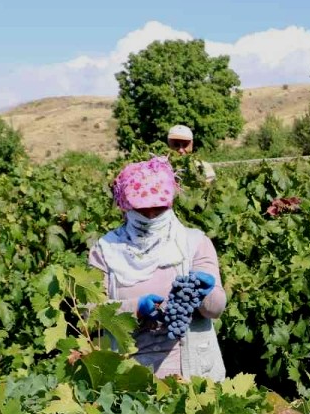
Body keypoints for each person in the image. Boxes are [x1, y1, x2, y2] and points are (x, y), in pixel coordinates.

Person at [88, 156, 228, 380]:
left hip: (194, 377)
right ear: (125, 207)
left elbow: (215, 309)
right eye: (143, 210)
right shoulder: (105, 251)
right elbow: (89, 315)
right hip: (129, 379)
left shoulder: (193, 243)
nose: (151, 217)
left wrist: (206, 292)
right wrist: (134, 308)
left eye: (159, 208)